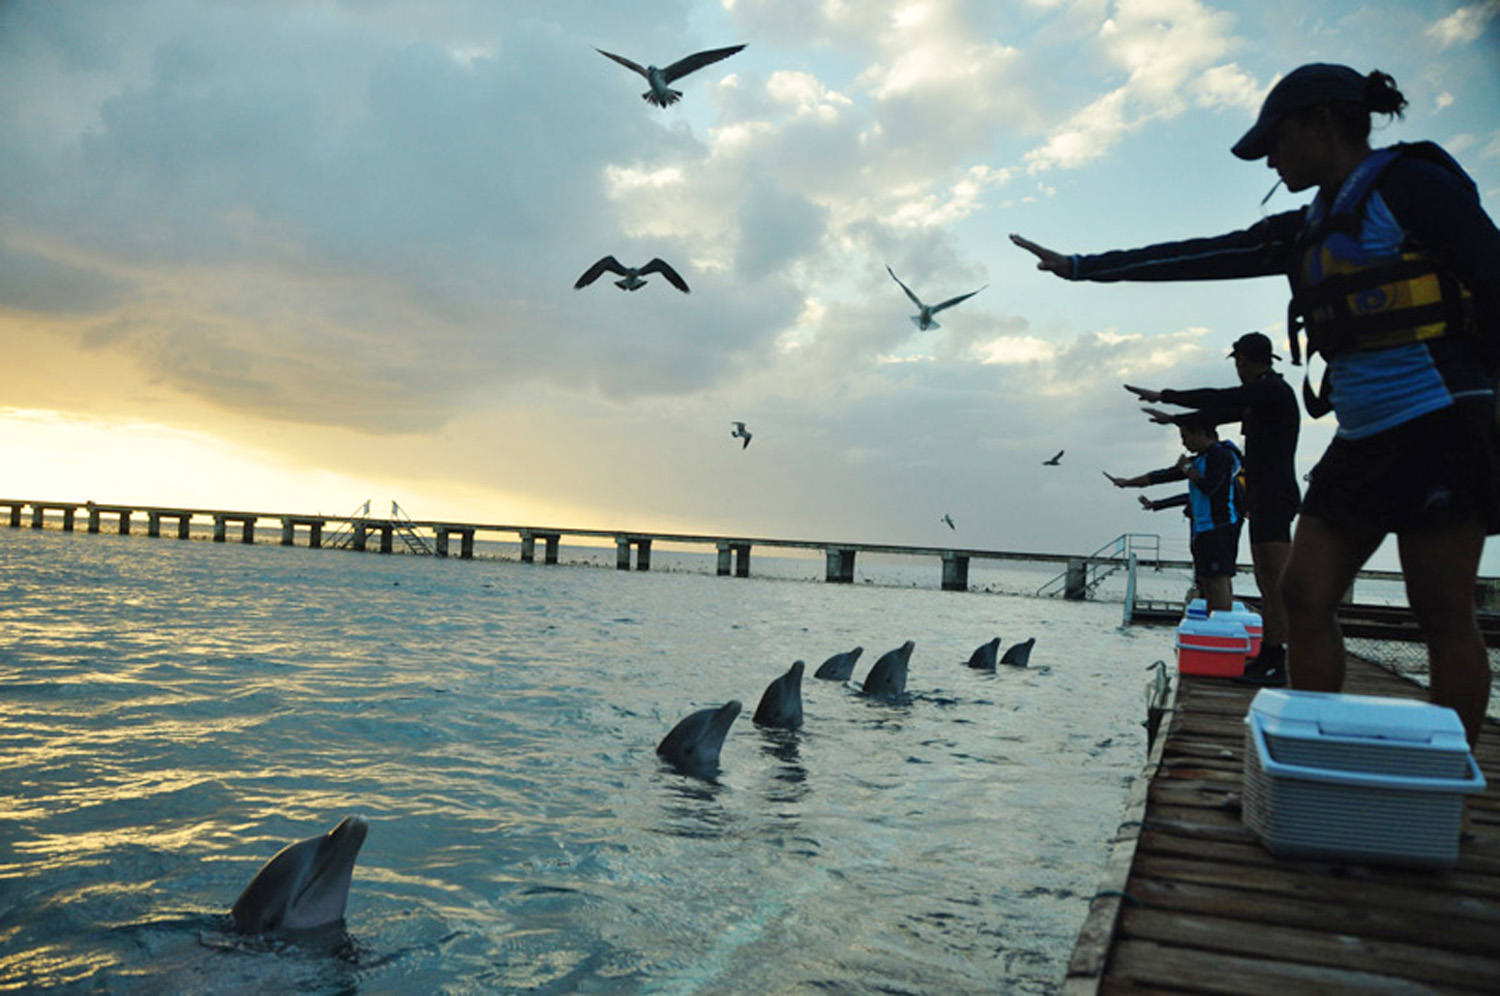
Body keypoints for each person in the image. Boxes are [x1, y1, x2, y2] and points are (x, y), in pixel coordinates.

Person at [1012, 63, 1500, 748]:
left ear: (1321, 124)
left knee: (1441, 609)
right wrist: (1082, 266)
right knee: (1303, 594)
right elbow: (1201, 255)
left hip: (1443, 423)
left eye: (1275, 142)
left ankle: (1447, 789)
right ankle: (1311, 759)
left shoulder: (1412, 186)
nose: (1269, 158)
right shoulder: (1305, 228)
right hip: (1364, 438)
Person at [1123, 331, 1301, 684]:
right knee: (1267, 578)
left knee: (1275, 579)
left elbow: (1219, 397)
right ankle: (1269, 654)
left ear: (1242, 359)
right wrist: (1173, 418)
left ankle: (1278, 661)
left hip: (1276, 494)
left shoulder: (1270, 390)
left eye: (1236, 361)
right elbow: (1217, 411)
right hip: (1264, 495)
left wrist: (1166, 395)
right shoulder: (1260, 397)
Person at [1106, 412, 1245, 614]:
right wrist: (1127, 482)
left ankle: (1221, 625)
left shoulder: (1220, 456)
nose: (1184, 443)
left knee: (1218, 580)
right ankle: (1211, 623)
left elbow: (1211, 487)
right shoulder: (1200, 459)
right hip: (1203, 528)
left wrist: (1188, 468)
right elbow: (1162, 476)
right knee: (1206, 580)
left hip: (1220, 527)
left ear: (1200, 433)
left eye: (1186, 437)